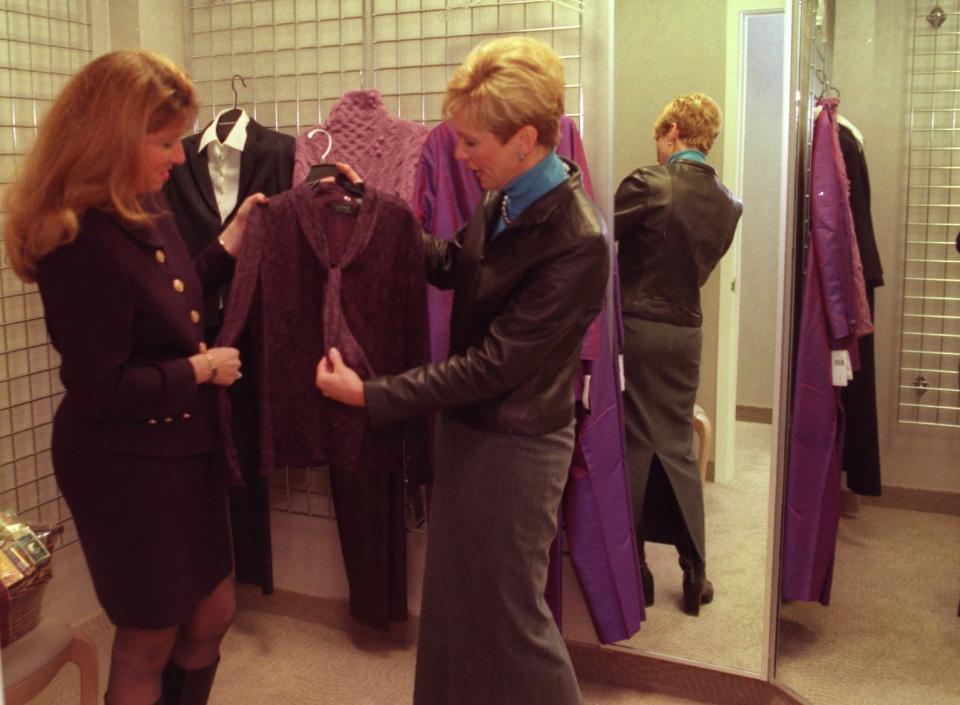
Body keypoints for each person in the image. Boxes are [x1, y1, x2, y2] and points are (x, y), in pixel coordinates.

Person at [316, 36, 609, 705]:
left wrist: (373, 394)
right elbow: (452, 262)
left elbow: (493, 365)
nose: (459, 154)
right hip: (473, 432)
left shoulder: (577, 238)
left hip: (517, 449)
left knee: (512, 620)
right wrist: (377, 212)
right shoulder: (504, 198)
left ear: (525, 139)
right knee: (450, 605)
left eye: (472, 141)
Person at [2, 50, 266, 705]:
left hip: (182, 446)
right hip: (125, 462)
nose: (179, 157)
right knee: (148, 638)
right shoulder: (76, 237)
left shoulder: (142, 204)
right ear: (113, 137)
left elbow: (167, 307)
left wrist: (227, 245)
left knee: (213, 611)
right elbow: (105, 387)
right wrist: (200, 368)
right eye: (165, 140)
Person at [614, 92, 743, 616]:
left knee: (635, 445)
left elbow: (596, 238)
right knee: (678, 446)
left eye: (659, 137)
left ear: (672, 130)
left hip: (640, 328)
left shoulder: (649, 183)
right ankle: (695, 573)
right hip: (687, 332)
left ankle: (636, 570)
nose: (658, 147)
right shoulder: (729, 204)